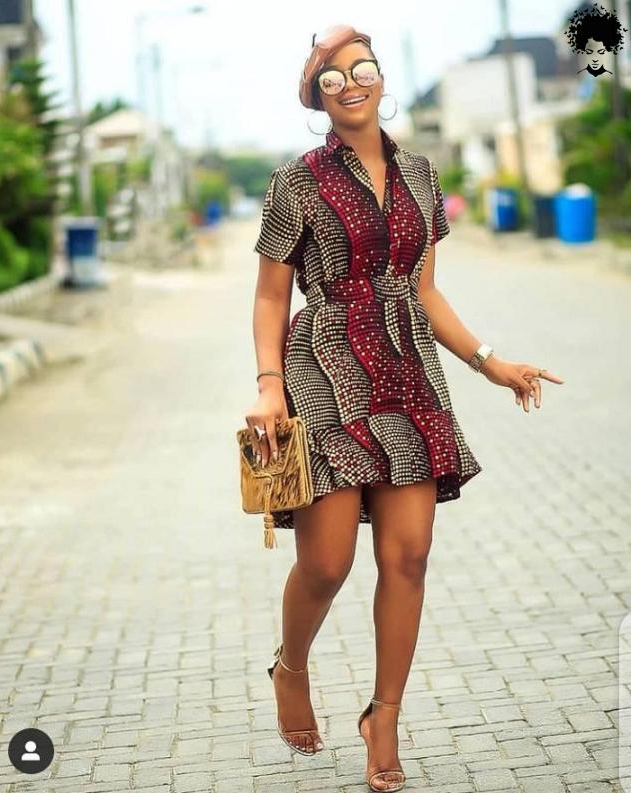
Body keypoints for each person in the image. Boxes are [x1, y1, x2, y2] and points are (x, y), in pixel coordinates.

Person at [245, 24, 564, 792]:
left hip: (407, 366)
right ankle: (292, 667)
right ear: (317, 96)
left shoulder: (421, 175)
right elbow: (269, 294)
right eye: (332, 77)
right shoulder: (295, 182)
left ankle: (382, 717)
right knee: (326, 561)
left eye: (363, 69)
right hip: (323, 366)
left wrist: (490, 362)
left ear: (381, 79)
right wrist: (267, 383)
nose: (351, 84)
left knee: (408, 555)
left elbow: (423, 289)